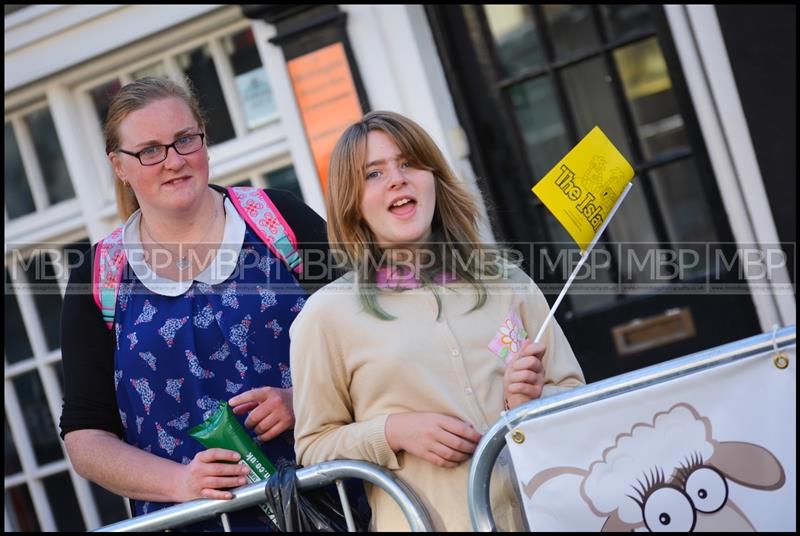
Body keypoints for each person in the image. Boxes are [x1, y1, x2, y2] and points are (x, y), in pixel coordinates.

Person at [59, 77, 334, 531]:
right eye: (150, 150)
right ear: (119, 166)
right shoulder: (99, 275)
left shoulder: (278, 220)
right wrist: (180, 482)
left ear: (204, 139)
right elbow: (86, 438)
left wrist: (304, 400)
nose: (174, 161)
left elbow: (366, 339)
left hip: (326, 504)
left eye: (185, 140)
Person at [290, 111, 586, 531]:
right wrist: (393, 432)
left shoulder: (508, 281)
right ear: (352, 204)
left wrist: (526, 406)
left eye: (409, 162)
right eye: (373, 174)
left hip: (538, 520)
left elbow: (575, 393)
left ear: (435, 179)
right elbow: (314, 447)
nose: (397, 179)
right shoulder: (326, 316)